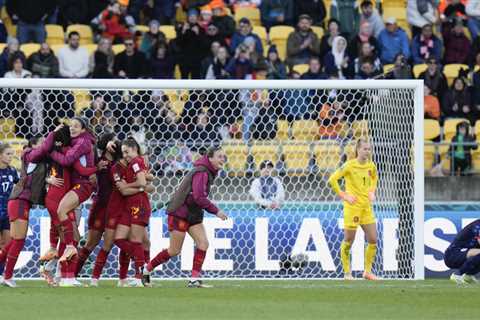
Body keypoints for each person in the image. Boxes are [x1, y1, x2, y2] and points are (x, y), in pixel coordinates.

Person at [143, 146, 228, 288]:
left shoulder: (207, 171)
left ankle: (194, 279)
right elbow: (199, 197)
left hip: (193, 213)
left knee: (203, 244)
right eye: (219, 156)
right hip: (180, 213)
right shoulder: (202, 172)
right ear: (210, 158)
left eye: (223, 156)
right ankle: (146, 270)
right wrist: (216, 211)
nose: (222, 159)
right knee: (174, 250)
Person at [0, 136, 51, 287]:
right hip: (19, 201)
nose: (44, 146)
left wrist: (47, 180)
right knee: (18, 240)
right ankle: (8, 277)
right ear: (33, 145)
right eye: (41, 143)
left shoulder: (35, 162)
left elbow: (28, 178)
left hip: (18, 202)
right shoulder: (29, 155)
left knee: (13, 241)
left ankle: (5, 275)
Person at [328, 138, 378, 281]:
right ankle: (347, 273)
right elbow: (332, 179)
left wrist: (372, 191)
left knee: (373, 239)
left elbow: (374, 178)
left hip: (366, 208)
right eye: (365, 149)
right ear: (358, 150)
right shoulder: (349, 165)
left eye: (369, 149)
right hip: (352, 208)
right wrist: (344, 195)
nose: (367, 152)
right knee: (349, 240)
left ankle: (367, 272)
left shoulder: (371, 166)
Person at [113, 138, 152, 287]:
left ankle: (139, 277)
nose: (125, 155)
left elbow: (142, 183)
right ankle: (144, 272)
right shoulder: (135, 164)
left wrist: (129, 186)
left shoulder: (136, 162)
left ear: (134, 148)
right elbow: (142, 185)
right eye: (123, 153)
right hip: (131, 205)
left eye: (126, 151)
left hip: (139, 205)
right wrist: (140, 187)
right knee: (120, 239)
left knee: (137, 240)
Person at [0, 144, 18, 277]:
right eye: (8, 154)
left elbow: (20, 185)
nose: (11, 157)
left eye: (12, 154)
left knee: (7, 245)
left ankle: (3, 275)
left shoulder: (12, 171)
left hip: (7, 213)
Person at [445, 219, 480, 284]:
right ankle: (457, 275)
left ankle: (468, 275)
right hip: (452, 256)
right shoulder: (478, 225)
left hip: (466, 253)